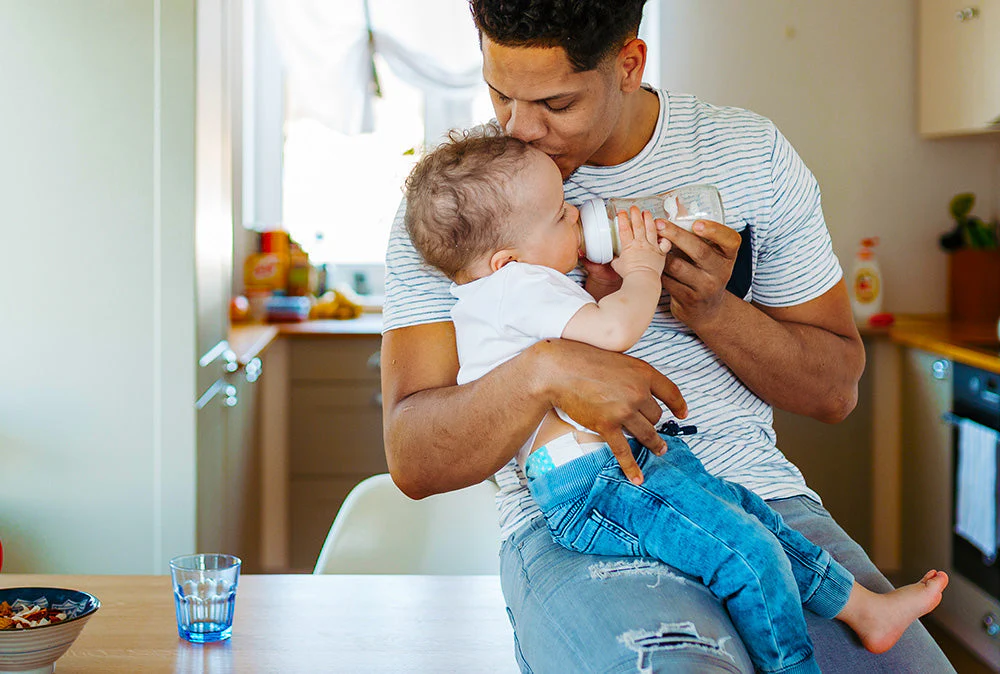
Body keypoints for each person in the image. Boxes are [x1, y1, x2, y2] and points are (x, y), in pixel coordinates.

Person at [381, 0, 957, 671]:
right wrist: (546, 370)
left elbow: (835, 393)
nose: (522, 130)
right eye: (500, 93)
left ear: (629, 63)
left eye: (557, 104)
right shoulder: (461, 207)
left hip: (756, 495)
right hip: (585, 515)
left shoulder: (748, 156)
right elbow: (414, 460)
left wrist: (711, 307)